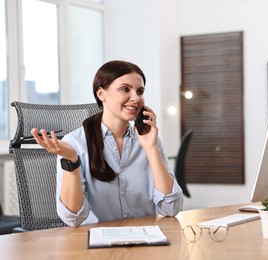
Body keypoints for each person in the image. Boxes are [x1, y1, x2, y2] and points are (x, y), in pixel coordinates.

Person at [31, 60, 183, 226]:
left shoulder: (149, 139)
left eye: (139, 91)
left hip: (145, 239)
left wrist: (151, 148)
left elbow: (171, 208)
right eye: (125, 89)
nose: (135, 98)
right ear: (101, 93)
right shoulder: (74, 143)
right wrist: (71, 161)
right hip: (95, 244)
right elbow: (73, 218)